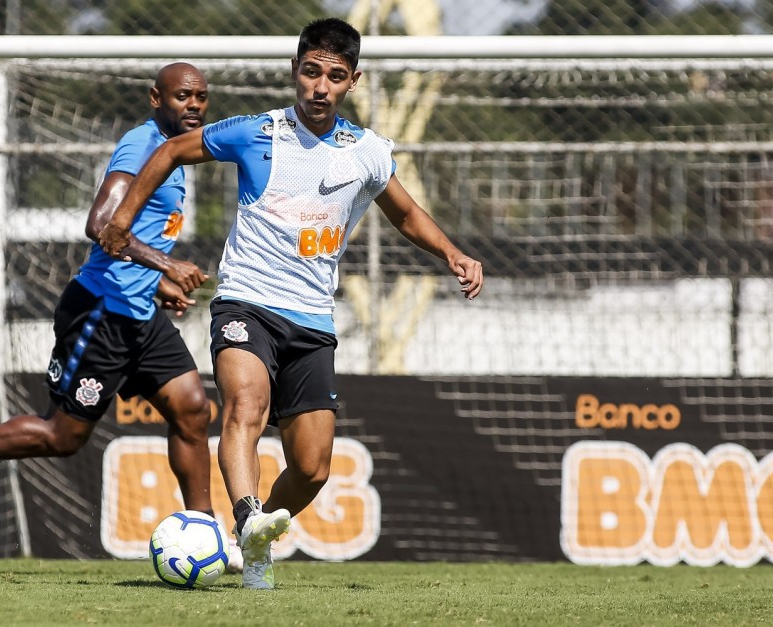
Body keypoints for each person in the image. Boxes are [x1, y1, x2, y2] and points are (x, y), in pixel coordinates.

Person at [99, 18, 484, 590]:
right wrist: (122, 219)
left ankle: (252, 547)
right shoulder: (256, 133)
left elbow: (403, 212)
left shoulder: (367, 151)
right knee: (244, 408)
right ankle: (250, 514)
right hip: (245, 301)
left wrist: (452, 252)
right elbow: (173, 150)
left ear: (352, 81)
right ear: (295, 73)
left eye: (333, 76)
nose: (319, 87)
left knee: (312, 466)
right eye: (310, 72)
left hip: (311, 317)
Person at [0, 63, 241, 569]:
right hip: (99, 312)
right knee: (62, 437)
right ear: (155, 98)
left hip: (138, 312)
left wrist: (158, 283)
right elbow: (101, 225)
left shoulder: (179, 156)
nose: (194, 106)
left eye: (202, 97)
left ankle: (207, 533)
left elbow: (131, 237)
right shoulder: (141, 146)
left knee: (192, 411)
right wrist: (168, 263)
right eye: (183, 96)